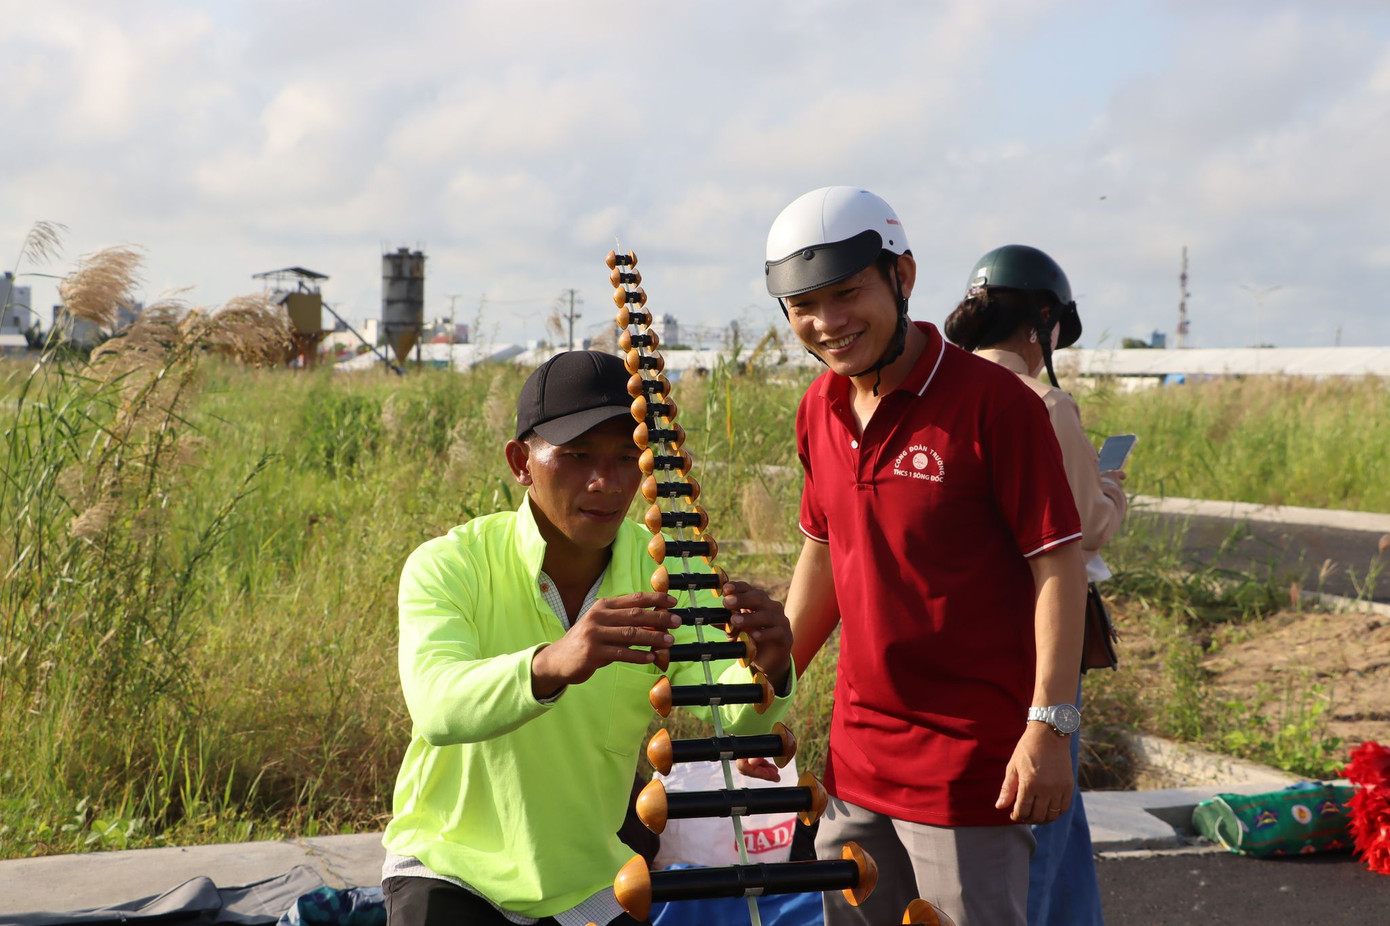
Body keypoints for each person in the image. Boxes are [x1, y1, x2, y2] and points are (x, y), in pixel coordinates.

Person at [754, 187, 1088, 926]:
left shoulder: (995, 405)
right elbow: (824, 558)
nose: (828, 324)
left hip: (971, 773)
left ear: (902, 278)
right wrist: (769, 694)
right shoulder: (819, 407)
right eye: (804, 306)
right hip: (855, 767)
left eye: (847, 294)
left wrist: (1049, 727)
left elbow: (1057, 567)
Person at [380, 349, 796, 926]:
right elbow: (438, 707)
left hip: (590, 878)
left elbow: (738, 722)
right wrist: (554, 662)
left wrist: (768, 668)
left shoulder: (672, 574)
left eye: (629, 458)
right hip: (453, 866)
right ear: (520, 462)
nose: (605, 482)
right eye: (576, 456)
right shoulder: (450, 565)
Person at [945, 245, 1128, 926]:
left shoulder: (942, 398)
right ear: (1041, 320)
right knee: (1046, 807)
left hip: (962, 635)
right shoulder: (1044, 403)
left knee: (1021, 805)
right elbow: (1080, 528)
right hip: (1042, 638)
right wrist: (1113, 493)